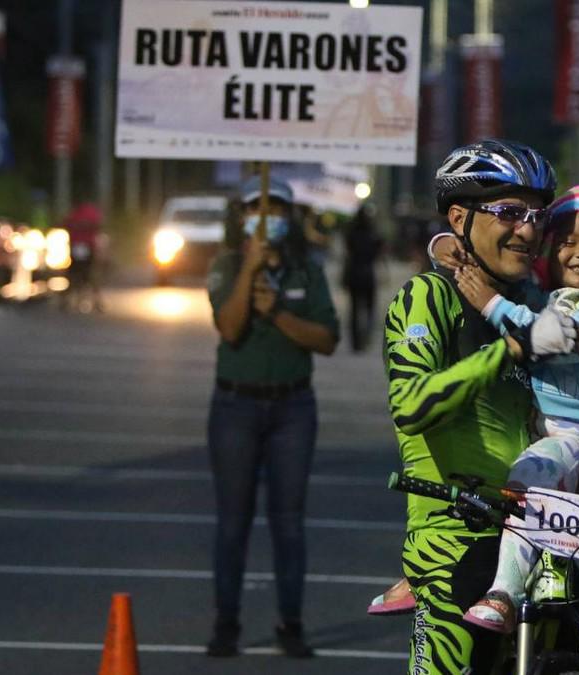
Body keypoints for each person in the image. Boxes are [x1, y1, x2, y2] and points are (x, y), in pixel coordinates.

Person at [386, 185, 579, 632]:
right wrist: (447, 244)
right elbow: (494, 260)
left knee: (528, 480)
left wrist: (491, 308)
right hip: (509, 479)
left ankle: (503, 593)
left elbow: (557, 339)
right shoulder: (545, 295)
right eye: (566, 241)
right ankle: (424, 575)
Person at [383, 139, 579, 674]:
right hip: (453, 542)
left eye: (537, 215)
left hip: (535, 536)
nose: (528, 229)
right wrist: (512, 349)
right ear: (459, 217)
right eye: (509, 213)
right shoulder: (429, 297)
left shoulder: (529, 306)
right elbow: (411, 406)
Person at [203, 175, 339, 659]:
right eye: (257, 209)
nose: (268, 218)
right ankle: (226, 623)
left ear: (291, 216)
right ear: (240, 217)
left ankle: (291, 622)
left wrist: (278, 312)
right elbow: (230, 326)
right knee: (233, 523)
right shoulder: (224, 265)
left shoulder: (307, 271)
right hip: (235, 407)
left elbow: (326, 339)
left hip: (292, 409)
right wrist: (249, 272)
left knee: (288, 522)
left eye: (277, 209)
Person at [341, 202, 383, 352]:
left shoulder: (351, 232)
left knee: (354, 309)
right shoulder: (372, 233)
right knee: (369, 308)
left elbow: (347, 253)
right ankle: (365, 338)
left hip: (354, 273)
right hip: (366, 274)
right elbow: (379, 251)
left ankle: (356, 341)